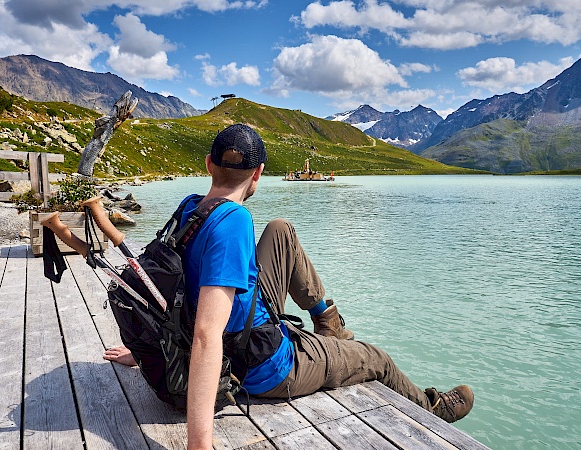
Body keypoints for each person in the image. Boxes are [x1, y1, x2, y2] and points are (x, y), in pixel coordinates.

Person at [104, 123, 474, 450]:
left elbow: (166, 287)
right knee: (374, 358)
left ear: (208, 165)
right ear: (259, 174)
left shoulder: (191, 207)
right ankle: (432, 407)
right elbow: (205, 333)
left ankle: (329, 323)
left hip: (240, 327)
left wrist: (145, 350)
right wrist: (199, 443)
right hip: (262, 364)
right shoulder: (233, 222)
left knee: (280, 229)